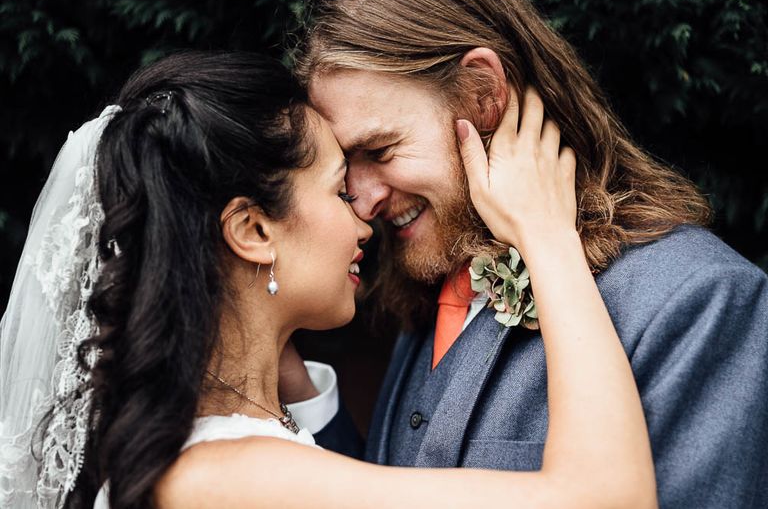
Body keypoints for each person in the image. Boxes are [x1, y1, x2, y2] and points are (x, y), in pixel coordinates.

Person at [0, 51, 656, 509]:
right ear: (254, 232)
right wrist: (546, 236)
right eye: (341, 189)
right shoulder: (223, 479)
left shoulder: (225, 451)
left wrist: (258, 333)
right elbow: (606, 500)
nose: (365, 218)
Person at [292, 0, 768, 509]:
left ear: (483, 95)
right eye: (349, 168)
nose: (363, 201)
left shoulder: (699, 298)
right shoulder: (434, 289)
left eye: (381, 149)